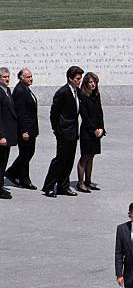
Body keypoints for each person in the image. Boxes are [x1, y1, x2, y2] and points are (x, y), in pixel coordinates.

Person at [42, 66, 84, 198]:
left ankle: (63, 186)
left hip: (73, 132)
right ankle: (48, 186)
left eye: (80, 78)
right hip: (64, 132)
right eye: (77, 78)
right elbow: (54, 113)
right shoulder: (63, 92)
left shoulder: (76, 91)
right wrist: (57, 130)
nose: (79, 81)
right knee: (60, 160)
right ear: (70, 78)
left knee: (69, 160)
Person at [5, 68, 38, 190]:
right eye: (28, 77)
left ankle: (12, 172)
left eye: (31, 76)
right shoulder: (20, 91)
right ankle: (25, 180)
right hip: (25, 130)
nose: (30, 79)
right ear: (21, 78)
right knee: (25, 154)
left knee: (29, 153)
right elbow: (20, 113)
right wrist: (24, 131)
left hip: (31, 128)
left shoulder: (26, 89)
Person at [77, 72, 105, 193]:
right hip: (87, 131)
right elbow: (85, 116)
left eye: (94, 82)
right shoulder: (82, 96)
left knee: (91, 156)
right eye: (90, 82)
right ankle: (81, 182)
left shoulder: (96, 95)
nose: (93, 84)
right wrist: (94, 129)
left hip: (97, 131)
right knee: (85, 157)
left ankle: (88, 181)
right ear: (86, 83)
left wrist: (101, 128)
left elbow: (100, 112)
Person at [0, 67, 18, 200]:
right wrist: (1, 136)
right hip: (3, 136)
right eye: (4, 77)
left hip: (9, 133)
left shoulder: (8, 91)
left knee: (4, 161)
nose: (7, 79)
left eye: (8, 77)